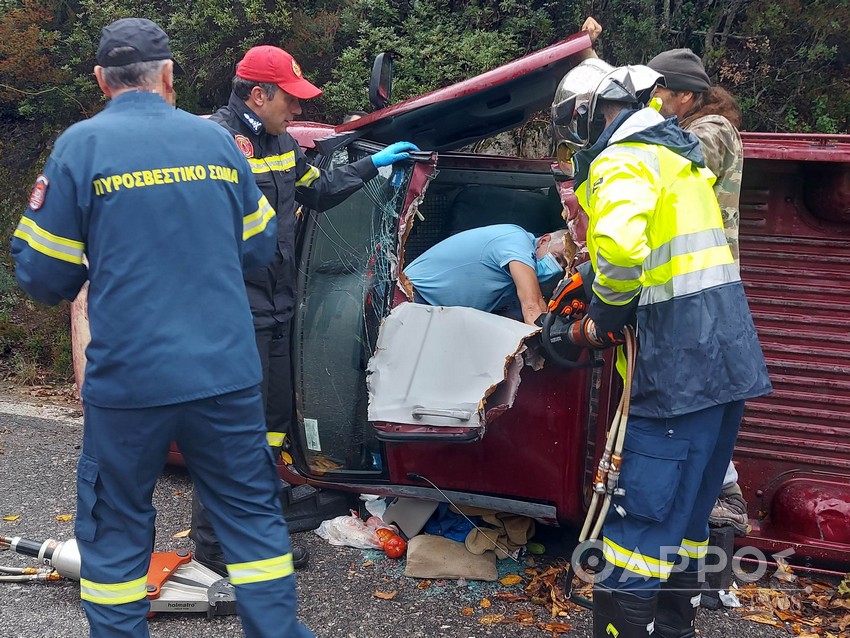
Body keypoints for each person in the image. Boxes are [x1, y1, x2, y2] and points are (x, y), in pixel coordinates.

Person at [11, 18, 312, 638]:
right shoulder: (219, 145)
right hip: (224, 374)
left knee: (116, 530)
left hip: (130, 380)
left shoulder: (80, 147)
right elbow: (258, 247)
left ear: (101, 81)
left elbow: (41, 274)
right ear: (169, 77)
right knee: (253, 521)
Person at [550, 62, 771, 637]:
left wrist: (602, 316)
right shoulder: (679, 155)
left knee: (641, 522)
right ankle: (675, 627)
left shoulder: (626, 157)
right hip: (725, 359)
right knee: (689, 518)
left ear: (587, 112)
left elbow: (623, 252)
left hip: (678, 365)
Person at [189, 44, 418, 574]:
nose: (296, 111)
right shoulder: (220, 145)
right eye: (289, 100)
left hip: (274, 310)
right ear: (258, 94)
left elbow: (317, 191)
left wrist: (371, 165)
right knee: (228, 432)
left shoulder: (283, 143)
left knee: (269, 426)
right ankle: (217, 547)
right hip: (231, 314)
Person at [647, 48, 749, 535]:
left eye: (658, 95)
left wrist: (629, 123)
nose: (653, 103)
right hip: (687, 286)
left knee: (705, 389)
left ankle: (725, 493)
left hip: (706, 288)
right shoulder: (690, 124)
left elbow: (683, 156)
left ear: (686, 95)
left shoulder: (712, 132)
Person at [404, 224, 569, 325]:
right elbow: (532, 306)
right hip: (410, 297)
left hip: (437, 319)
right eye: (557, 258)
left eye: (564, 266)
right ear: (544, 240)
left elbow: (510, 325)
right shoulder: (517, 241)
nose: (558, 267)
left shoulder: (514, 287)